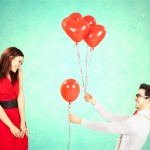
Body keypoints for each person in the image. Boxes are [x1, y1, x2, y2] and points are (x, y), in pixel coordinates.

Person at [69, 84, 150, 150]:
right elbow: (112, 117)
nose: (135, 98)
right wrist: (93, 101)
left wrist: (81, 121)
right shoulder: (139, 118)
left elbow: (106, 127)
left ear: (148, 100)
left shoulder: (138, 122)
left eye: (139, 96)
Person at [0, 47, 28, 150]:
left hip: (17, 116)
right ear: (10, 58)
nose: (20, 65)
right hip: (3, 119)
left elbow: (21, 97)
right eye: (19, 61)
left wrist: (23, 122)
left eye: (22, 63)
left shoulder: (19, 73)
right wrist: (11, 126)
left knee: (20, 145)